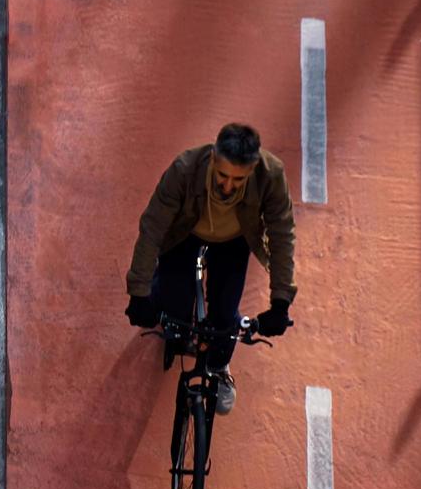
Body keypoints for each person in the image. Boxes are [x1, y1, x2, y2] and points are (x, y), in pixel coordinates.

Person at [124, 123, 296, 414]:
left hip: (234, 241)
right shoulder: (183, 169)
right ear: (213, 159)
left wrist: (280, 302)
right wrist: (138, 294)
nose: (228, 186)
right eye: (222, 176)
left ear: (252, 170)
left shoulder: (271, 176)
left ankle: (219, 366)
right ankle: (163, 301)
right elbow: (152, 229)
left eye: (238, 180)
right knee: (172, 305)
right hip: (185, 234)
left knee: (224, 317)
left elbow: (282, 235)